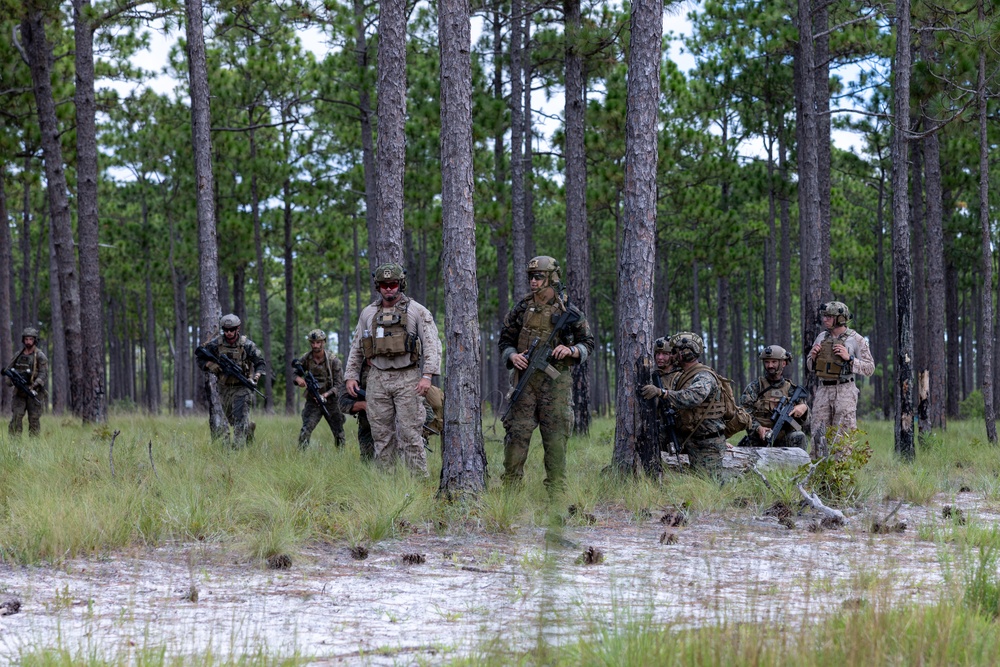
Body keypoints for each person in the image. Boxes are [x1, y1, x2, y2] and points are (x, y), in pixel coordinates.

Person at [498, 256, 594, 496]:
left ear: (551, 278)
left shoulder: (568, 310)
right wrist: (512, 356)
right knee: (517, 434)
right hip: (524, 381)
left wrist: (571, 350)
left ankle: (556, 492)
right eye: (531, 277)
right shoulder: (522, 308)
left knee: (556, 437)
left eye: (539, 277)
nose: (533, 281)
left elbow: (588, 343)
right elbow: (505, 341)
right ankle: (510, 492)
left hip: (555, 383)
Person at [344, 263, 442, 474]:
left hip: (408, 377)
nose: (388, 288)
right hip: (377, 378)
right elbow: (357, 346)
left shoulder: (417, 311)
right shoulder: (368, 313)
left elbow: (432, 344)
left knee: (410, 434)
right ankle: (386, 482)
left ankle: (418, 481)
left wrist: (427, 375)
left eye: (393, 284)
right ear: (377, 286)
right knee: (381, 435)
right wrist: (351, 375)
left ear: (401, 284)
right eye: (384, 284)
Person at [645, 332, 727, 475]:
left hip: (708, 444)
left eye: (675, 352)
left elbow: (693, 397)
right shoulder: (686, 375)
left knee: (710, 483)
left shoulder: (704, 375)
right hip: (694, 439)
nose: (672, 356)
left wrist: (662, 393)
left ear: (685, 353)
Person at [806, 301, 876, 458]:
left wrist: (849, 358)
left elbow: (870, 368)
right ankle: (818, 471)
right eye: (824, 316)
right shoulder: (821, 337)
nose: (825, 319)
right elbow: (810, 366)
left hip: (845, 390)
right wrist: (814, 356)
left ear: (840, 318)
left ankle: (841, 472)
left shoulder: (856, 339)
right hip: (823, 390)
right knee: (818, 433)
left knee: (843, 436)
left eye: (829, 316)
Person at [198, 313, 266, 448]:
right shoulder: (215, 344)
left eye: (232, 329)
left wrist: (255, 378)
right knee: (233, 420)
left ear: (238, 328)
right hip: (224, 387)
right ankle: (248, 429)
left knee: (239, 419)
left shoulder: (247, 345)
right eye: (226, 330)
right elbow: (200, 357)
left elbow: (260, 363)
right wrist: (211, 365)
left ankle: (237, 449)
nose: (229, 333)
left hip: (242, 387)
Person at [740, 345, 808, 448]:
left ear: (783, 363)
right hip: (759, 439)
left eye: (774, 362)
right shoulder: (755, 387)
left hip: (784, 439)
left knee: (799, 436)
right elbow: (743, 414)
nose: (770, 366)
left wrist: (804, 408)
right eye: (767, 362)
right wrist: (758, 428)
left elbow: (805, 422)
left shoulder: (792, 390)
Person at [293, 329, 346, 449]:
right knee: (305, 431)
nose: (315, 345)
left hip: (331, 402)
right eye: (313, 343)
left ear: (324, 342)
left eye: (318, 342)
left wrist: (326, 395)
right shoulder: (306, 358)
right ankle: (301, 455)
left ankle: (341, 456)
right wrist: (298, 379)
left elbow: (339, 385)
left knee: (339, 433)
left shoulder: (333, 360)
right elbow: (294, 372)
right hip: (313, 401)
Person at [6, 327, 47, 438]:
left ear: (35, 340)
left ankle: (34, 445)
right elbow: (8, 369)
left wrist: (34, 384)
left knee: (34, 419)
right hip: (19, 392)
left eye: (31, 339)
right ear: (23, 340)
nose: (28, 342)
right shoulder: (18, 355)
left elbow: (43, 374)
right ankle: (14, 443)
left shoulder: (40, 356)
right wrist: (10, 380)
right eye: (26, 339)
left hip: (34, 392)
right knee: (16, 417)